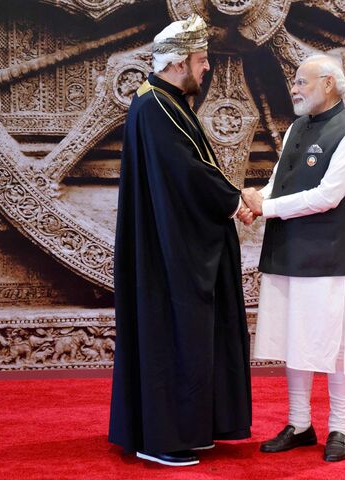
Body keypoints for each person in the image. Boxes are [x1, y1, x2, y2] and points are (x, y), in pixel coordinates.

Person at [109, 14, 253, 467]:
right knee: (172, 332)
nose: (207, 68)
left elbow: (190, 170)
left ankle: (191, 427)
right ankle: (162, 439)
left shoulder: (162, 102)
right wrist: (236, 201)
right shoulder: (155, 106)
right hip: (168, 253)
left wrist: (230, 199)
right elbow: (189, 174)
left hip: (172, 242)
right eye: (201, 59)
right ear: (177, 63)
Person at [242, 54, 345, 462]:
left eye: (302, 82)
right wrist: (256, 199)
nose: (294, 89)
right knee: (294, 340)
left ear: (329, 84)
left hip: (331, 256)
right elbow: (278, 180)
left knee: (335, 344)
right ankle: (299, 423)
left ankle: (340, 428)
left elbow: (327, 196)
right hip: (287, 250)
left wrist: (268, 208)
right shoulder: (298, 127)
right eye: (295, 82)